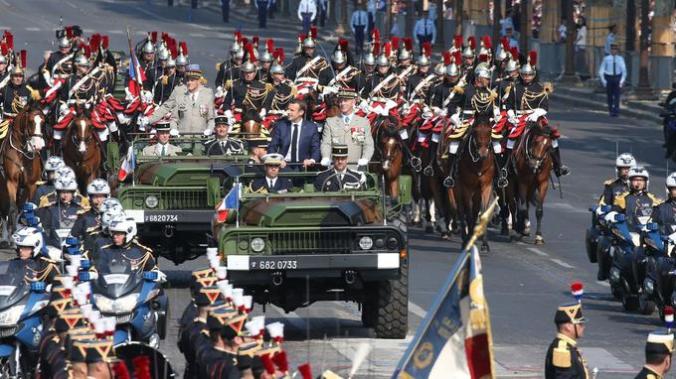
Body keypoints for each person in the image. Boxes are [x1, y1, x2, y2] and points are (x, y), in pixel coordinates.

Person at [145, 64, 215, 135]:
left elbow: (211, 118)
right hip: (182, 137)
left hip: (200, 138)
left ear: (198, 80)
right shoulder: (179, 91)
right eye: (187, 79)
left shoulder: (207, 93)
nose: (189, 82)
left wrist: (209, 129)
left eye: (192, 80)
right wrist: (149, 119)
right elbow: (166, 107)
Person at [320, 88, 374, 170]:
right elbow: (326, 143)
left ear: (353, 102)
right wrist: (326, 157)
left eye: (345, 101)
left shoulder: (362, 122)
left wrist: (365, 158)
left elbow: (368, 145)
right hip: (334, 166)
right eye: (340, 101)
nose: (342, 103)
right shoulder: (330, 122)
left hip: (355, 167)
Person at [37, 168, 88, 248]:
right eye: (62, 192)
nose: (65, 195)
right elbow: (42, 230)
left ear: (73, 193)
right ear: (57, 193)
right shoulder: (49, 209)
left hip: (77, 249)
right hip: (55, 249)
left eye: (68, 192)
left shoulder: (82, 210)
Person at [268, 99, 320, 169]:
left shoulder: (311, 127)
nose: (288, 112)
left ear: (301, 112)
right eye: (288, 110)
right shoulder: (281, 125)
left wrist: (312, 160)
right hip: (284, 164)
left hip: (304, 165)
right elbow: (272, 146)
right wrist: (277, 160)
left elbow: (316, 148)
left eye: (292, 110)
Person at [545, 302, 589, 378]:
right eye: (580, 324)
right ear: (568, 326)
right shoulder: (562, 349)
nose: (583, 327)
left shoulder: (569, 346)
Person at [613, 167, 661, 231]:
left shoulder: (653, 198)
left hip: (648, 232)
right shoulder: (622, 198)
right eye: (635, 180)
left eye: (641, 180)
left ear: (646, 183)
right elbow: (613, 214)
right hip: (630, 232)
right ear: (629, 182)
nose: (638, 183)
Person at [598, 44, 626, 117]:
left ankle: (616, 110)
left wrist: (622, 81)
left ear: (617, 51)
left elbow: (624, 70)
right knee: (609, 95)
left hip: (617, 77)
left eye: (615, 49)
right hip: (609, 77)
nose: (614, 51)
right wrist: (604, 81)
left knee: (617, 95)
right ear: (611, 50)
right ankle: (610, 109)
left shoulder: (620, 59)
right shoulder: (606, 58)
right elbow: (601, 70)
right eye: (612, 49)